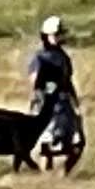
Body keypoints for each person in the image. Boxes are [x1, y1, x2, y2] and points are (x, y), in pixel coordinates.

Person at [26, 14, 82, 167]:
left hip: (64, 105)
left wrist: (75, 102)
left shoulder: (63, 57)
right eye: (55, 34)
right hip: (47, 105)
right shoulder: (40, 58)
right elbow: (34, 82)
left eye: (60, 34)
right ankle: (46, 182)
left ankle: (62, 177)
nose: (59, 38)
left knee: (75, 144)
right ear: (46, 36)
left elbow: (68, 81)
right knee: (47, 146)